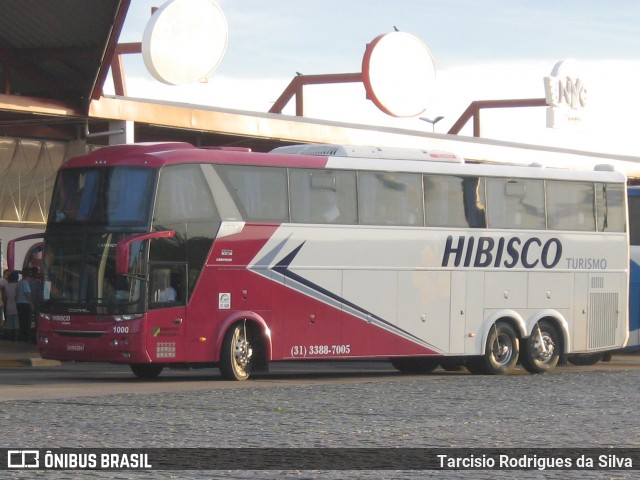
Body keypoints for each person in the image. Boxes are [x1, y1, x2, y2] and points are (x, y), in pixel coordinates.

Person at [16, 269, 33, 342]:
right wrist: (31, 304)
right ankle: (26, 337)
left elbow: (16, 293)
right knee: (27, 321)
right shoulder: (25, 282)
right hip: (25, 304)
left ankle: (21, 336)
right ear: (28, 276)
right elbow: (27, 294)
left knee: (21, 321)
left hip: (19, 303)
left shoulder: (19, 282)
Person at [2, 271, 20, 341]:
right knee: (16, 325)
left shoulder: (6, 286)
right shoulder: (18, 285)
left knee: (8, 324)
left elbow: (4, 298)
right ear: (16, 277)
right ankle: (16, 339)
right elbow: (17, 296)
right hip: (16, 307)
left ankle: (8, 339)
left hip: (9, 307)